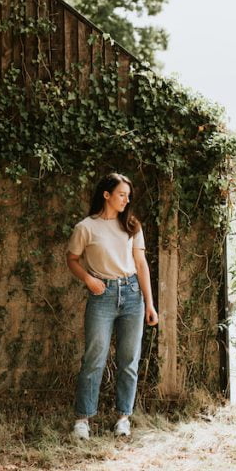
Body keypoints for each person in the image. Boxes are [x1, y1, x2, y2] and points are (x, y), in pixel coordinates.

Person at [66, 173, 159, 439]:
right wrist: (88, 279)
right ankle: (83, 420)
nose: (126, 200)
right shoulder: (86, 227)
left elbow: (141, 265)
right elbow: (72, 259)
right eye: (121, 194)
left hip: (132, 295)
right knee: (94, 359)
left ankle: (123, 418)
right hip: (102, 296)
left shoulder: (132, 225)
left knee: (129, 360)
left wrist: (150, 304)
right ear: (106, 195)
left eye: (128, 196)